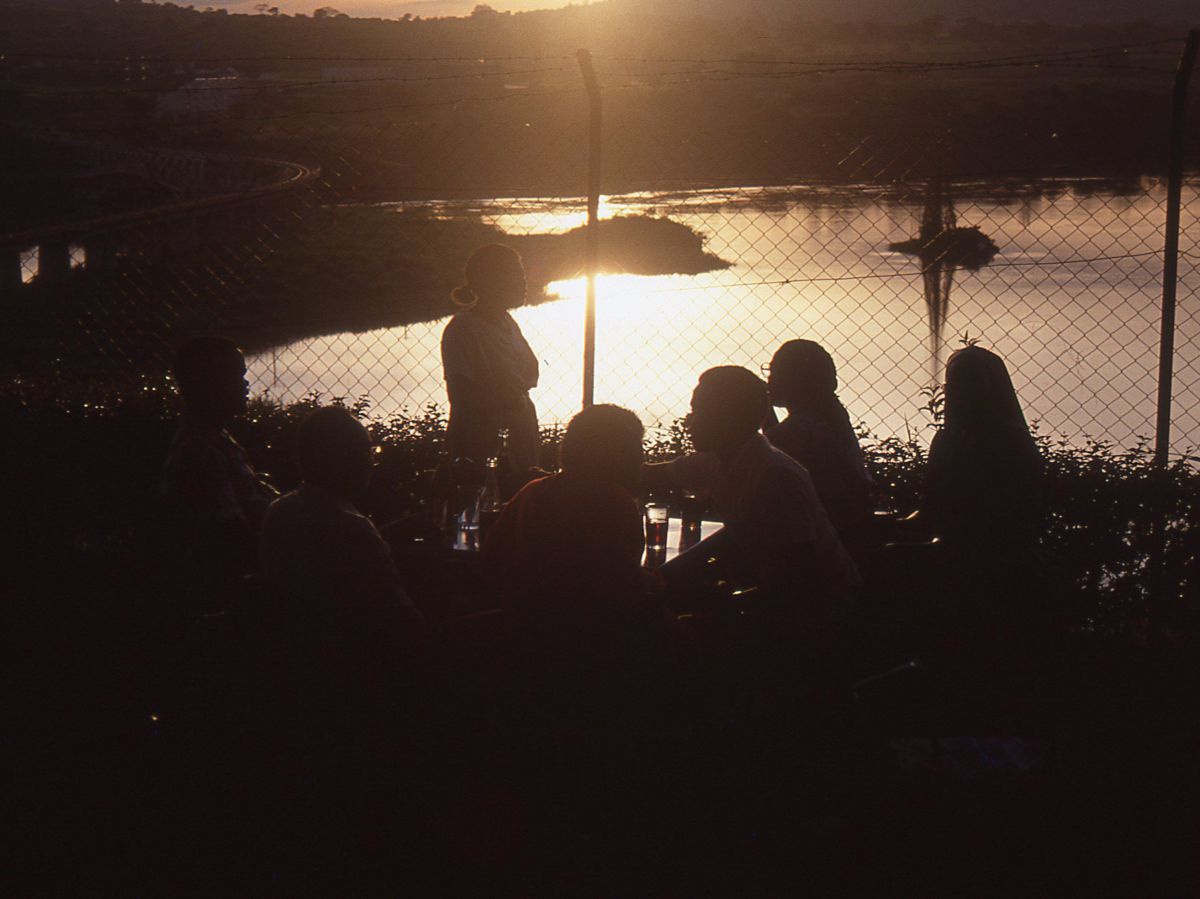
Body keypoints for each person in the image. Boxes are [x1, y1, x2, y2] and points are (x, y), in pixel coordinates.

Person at [650, 366, 860, 629]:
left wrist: (720, 607)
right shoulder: (721, 460)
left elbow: (798, 580)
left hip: (822, 618)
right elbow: (651, 476)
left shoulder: (776, 478)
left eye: (702, 411)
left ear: (731, 417)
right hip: (794, 604)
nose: (690, 421)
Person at [260, 406, 422, 646]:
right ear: (335, 459)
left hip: (297, 650)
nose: (369, 464)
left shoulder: (280, 511)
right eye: (362, 454)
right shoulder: (353, 528)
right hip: (366, 661)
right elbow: (403, 622)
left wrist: (385, 535)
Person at [483, 403, 648, 620]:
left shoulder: (532, 491)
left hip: (522, 622)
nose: (641, 456)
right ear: (618, 453)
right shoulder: (613, 501)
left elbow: (491, 556)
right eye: (636, 446)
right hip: (587, 631)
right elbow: (621, 585)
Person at [161, 336, 277, 606]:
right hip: (240, 589)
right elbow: (231, 541)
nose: (245, 384)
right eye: (236, 377)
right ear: (208, 386)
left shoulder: (214, 438)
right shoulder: (201, 453)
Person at [921, 345, 1043, 560]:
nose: (962, 391)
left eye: (972, 383)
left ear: (989, 387)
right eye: (956, 383)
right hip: (950, 547)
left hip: (1003, 551)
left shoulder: (1012, 442)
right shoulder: (945, 441)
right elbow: (929, 510)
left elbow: (1020, 513)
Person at [441, 244, 541, 475]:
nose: (523, 283)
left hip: (521, 434)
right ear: (491, 281)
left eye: (522, 275)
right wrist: (458, 458)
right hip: (488, 443)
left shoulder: (507, 322)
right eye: (515, 276)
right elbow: (461, 401)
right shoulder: (463, 329)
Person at [764, 339, 874, 542]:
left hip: (825, 539)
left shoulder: (806, 428)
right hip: (845, 533)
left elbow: (760, 454)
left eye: (774, 372)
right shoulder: (831, 416)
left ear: (795, 380)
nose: (769, 380)